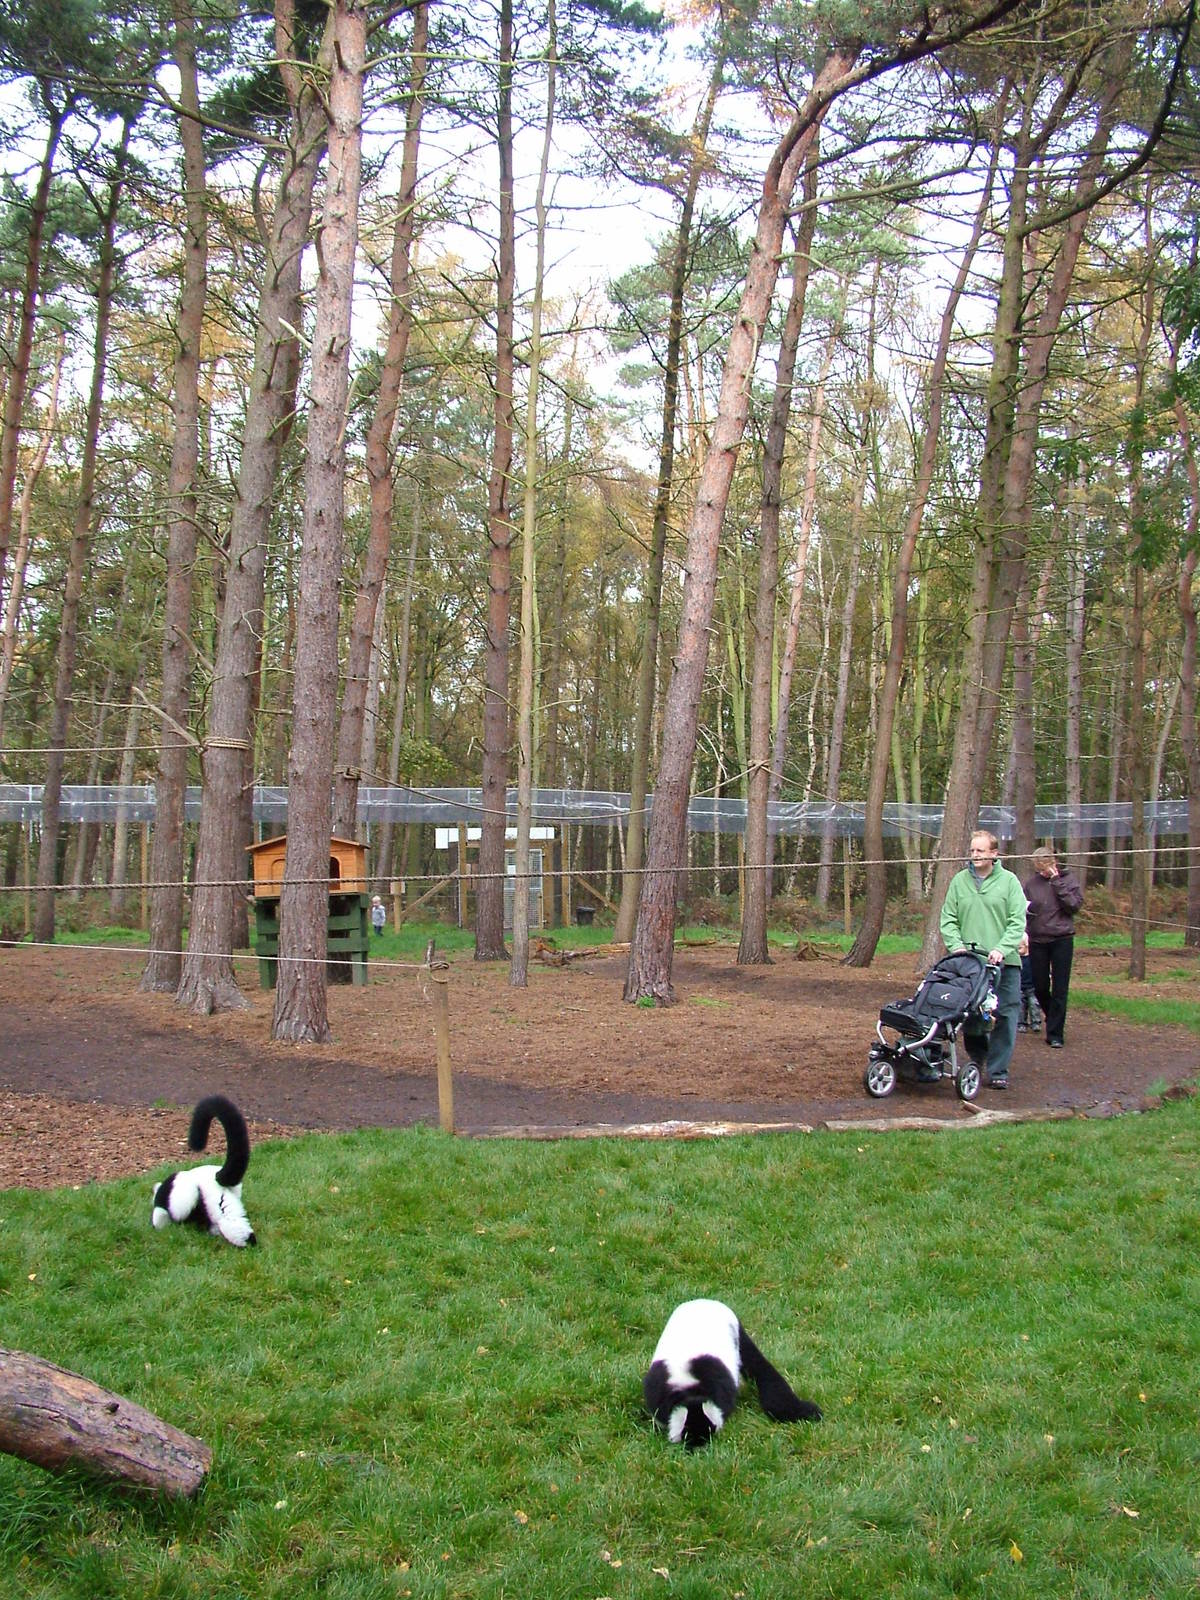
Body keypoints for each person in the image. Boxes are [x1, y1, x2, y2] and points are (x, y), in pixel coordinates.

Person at [939, 829, 1027, 1090]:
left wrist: (1002, 947)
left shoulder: (1009, 882)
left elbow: (1017, 921)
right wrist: (956, 947)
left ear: (994, 854)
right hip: (969, 965)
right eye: (972, 850)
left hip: (1005, 962)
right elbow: (948, 919)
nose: (975, 855)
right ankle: (978, 1060)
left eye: (980, 851)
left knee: (1006, 1013)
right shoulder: (959, 881)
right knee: (971, 1016)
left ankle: (999, 1069)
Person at [1022, 845, 1084, 1049]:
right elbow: (1022, 909)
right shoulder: (1031, 884)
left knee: (1060, 986)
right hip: (1038, 940)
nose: (1041, 871)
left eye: (1044, 867)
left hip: (1062, 939)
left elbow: (1074, 906)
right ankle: (1053, 1015)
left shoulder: (1068, 880)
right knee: (1039, 986)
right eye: (1038, 868)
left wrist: (1057, 882)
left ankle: (1055, 1033)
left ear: (1053, 862)